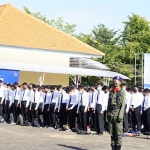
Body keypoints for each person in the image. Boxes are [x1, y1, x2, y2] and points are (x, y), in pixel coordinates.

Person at [106, 76, 126, 150]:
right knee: (112, 132)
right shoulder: (111, 92)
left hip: (117, 114)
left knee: (118, 133)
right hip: (111, 114)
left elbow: (123, 105)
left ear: (120, 82)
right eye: (114, 80)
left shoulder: (122, 92)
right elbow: (108, 104)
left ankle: (118, 147)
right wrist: (107, 115)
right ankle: (113, 147)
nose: (115, 81)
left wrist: (120, 116)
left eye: (116, 80)